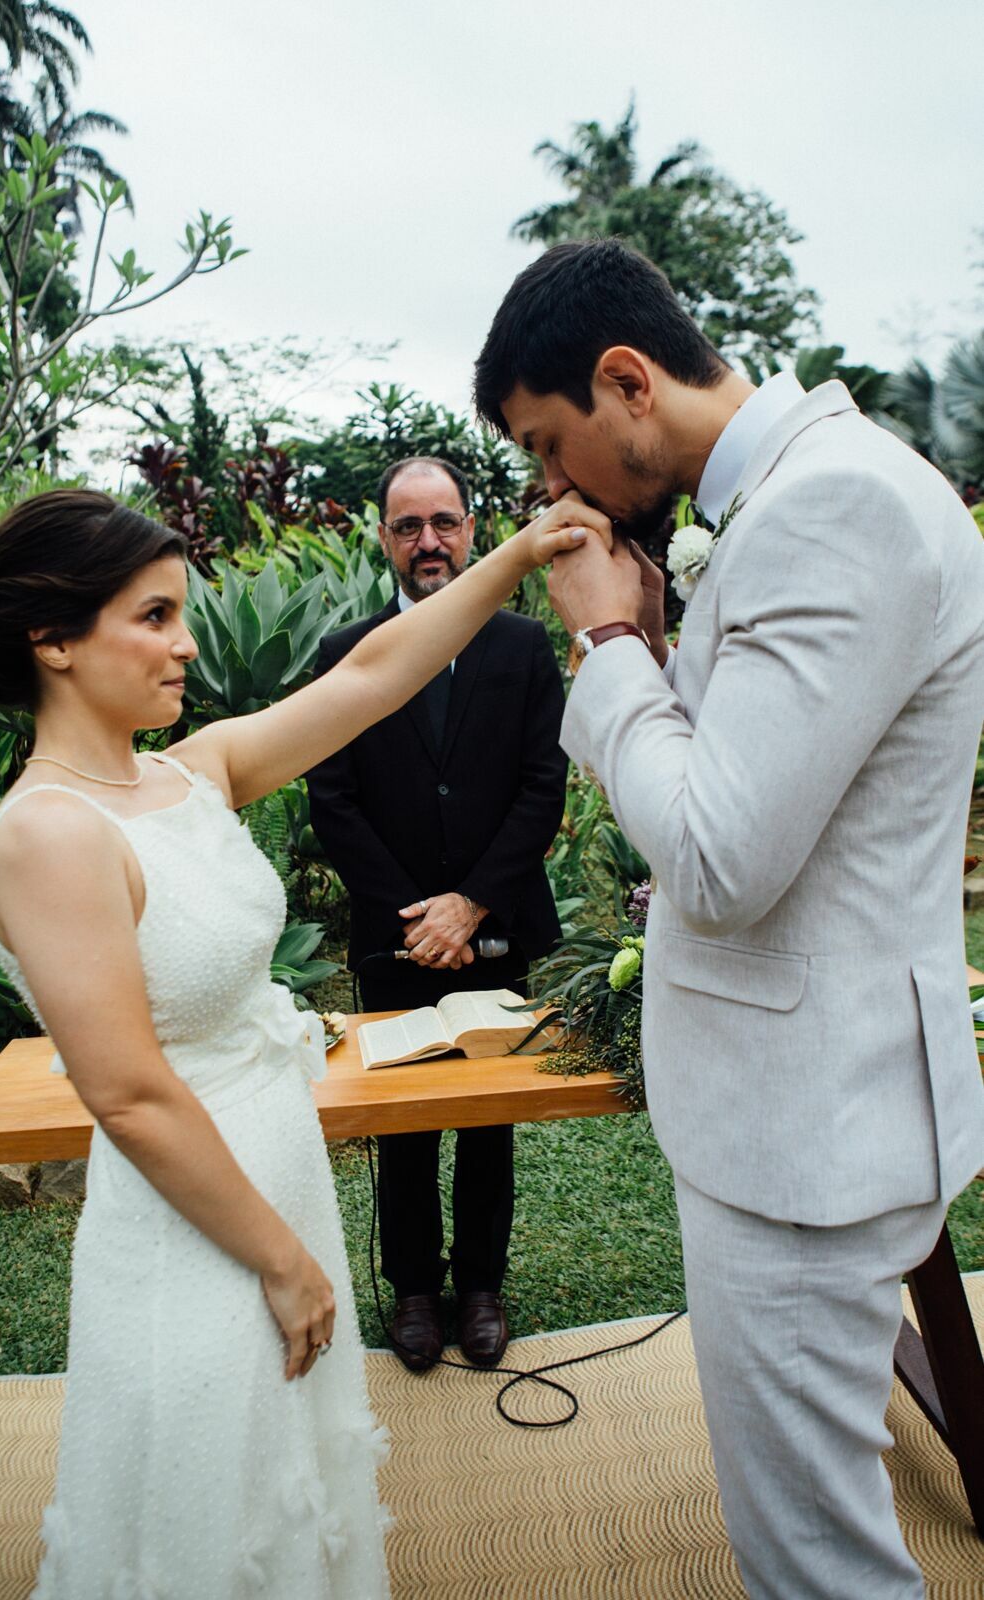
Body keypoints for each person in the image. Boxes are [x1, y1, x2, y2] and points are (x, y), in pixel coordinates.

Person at [0, 488, 595, 1600]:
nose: (186, 644)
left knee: (286, 1490)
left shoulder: (185, 774)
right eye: (153, 617)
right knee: (210, 1507)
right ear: (53, 641)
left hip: (275, 1175)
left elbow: (371, 677)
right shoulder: (50, 834)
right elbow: (129, 1094)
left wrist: (519, 556)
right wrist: (280, 1261)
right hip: (198, 1226)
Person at [473, 239, 984, 1600]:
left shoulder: (831, 507)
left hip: (805, 1129)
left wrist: (606, 648)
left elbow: (713, 858)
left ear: (625, 380)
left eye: (548, 443)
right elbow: (752, 781)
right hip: (806, 1102)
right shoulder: (795, 494)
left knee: (811, 1560)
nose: (551, 488)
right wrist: (653, 645)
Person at [307, 457, 567, 1373]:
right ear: (384, 537)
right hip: (396, 936)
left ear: (471, 529)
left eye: (444, 522)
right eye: (409, 526)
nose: (429, 542)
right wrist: (418, 918)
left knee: (489, 1118)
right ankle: (416, 1289)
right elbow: (332, 798)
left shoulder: (522, 648)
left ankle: (483, 1287)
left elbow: (543, 785)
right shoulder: (346, 651)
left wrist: (472, 902)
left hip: (498, 922)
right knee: (403, 1121)